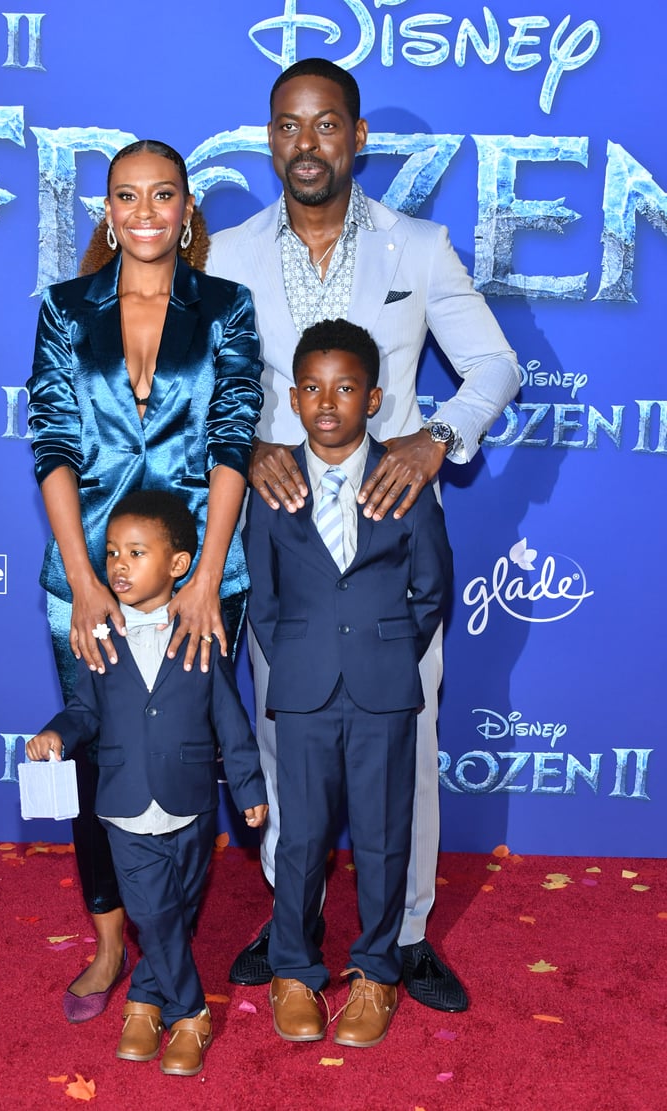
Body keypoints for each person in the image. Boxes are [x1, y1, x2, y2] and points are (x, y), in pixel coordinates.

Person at [207, 58, 520, 1011]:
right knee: (278, 737)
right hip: (285, 540)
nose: (308, 144)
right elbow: (205, 392)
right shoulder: (223, 256)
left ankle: (410, 932)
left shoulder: (418, 248)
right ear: (271, 141)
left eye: (327, 125)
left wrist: (435, 440)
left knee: (407, 743)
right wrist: (247, 444)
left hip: (388, 537)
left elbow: (496, 370)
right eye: (289, 127)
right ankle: (289, 916)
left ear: (357, 138)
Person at [27, 139, 263, 1023]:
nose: (146, 212)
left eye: (164, 195)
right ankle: (109, 939)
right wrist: (86, 583)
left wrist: (205, 577)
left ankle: (173, 931)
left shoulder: (226, 309)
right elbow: (52, 444)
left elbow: (231, 442)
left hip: (202, 576)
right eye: (127, 196)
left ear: (187, 207)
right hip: (84, 575)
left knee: (183, 745)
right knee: (101, 753)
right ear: (109, 211)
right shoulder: (63, 310)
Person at [244, 319, 452, 1046]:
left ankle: (376, 972)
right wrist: (301, 658)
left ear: (375, 397)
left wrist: (389, 655)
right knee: (300, 837)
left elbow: (431, 589)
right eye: (312, 387)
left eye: (345, 387)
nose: (327, 401)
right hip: (301, 693)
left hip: (384, 689)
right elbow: (262, 605)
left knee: (385, 834)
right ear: (293, 398)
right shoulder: (271, 489)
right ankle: (294, 969)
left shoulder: (406, 482)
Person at [27, 491, 268, 1075]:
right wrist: (57, 733)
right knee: (153, 912)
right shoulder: (98, 636)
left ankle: (146, 995)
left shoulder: (203, 636)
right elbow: (84, 711)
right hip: (124, 804)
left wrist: (249, 789)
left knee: (179, 908)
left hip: (190, 803)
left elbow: (229, 721)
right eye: (112, 553)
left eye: (136, 553)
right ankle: (189, 1012)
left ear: (179, 565)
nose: (118, 565)